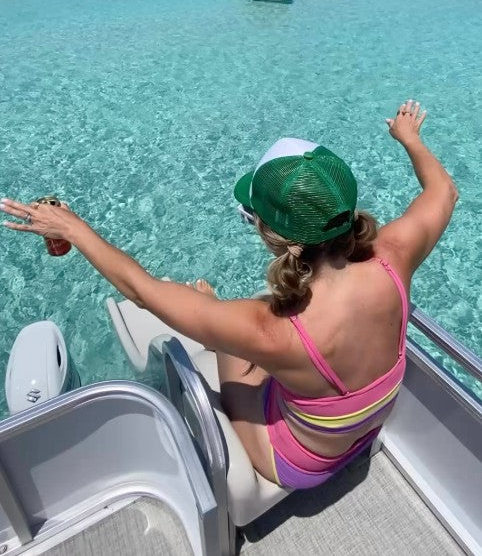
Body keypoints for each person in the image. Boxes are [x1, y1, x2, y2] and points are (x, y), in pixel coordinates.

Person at [0, 100, 458, 490]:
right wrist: (410, 138)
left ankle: (212, 315)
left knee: (224, 339)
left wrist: (73, 228)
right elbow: (444, 190)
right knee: (238, 326)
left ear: (279, 236)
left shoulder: (267, 330)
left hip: (304, 462)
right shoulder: (394, 256)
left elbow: (140, 290)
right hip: (367, 426)